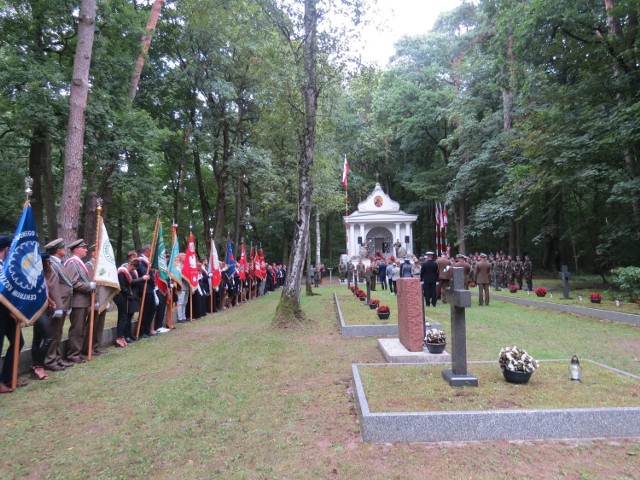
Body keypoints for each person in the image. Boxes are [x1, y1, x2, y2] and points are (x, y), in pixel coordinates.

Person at [43, 238, 74, 372]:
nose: (64, 250)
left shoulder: (58, 263)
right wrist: (58, 306)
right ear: (58, 250)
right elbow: (53, 286)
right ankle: (50, 360)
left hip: (64, 301)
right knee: (54, 332)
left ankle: (57, 357)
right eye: (62, 248)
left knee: (59, 331)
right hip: (58, 303)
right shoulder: (52, 264)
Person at [0, 235, 26, 393]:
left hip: (8, 312)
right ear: (8, 248)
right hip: (2, 312)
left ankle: (8, 377)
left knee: (18, 341)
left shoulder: (6, 266)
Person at [64, 239, 95, 363]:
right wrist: (89, 286)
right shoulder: (72, 263)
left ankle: (78, 352)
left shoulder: (79, 263)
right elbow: (72, 282)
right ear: (76, 250)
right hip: (77, 301)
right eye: (84, 248)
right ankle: (73, 354)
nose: (86, 250)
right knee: (77, 329)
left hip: (83, 300)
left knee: (81, 328)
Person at [29, 253, 55, 380]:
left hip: (44, 309)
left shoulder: (44, 276)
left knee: (37, 339)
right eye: (48, 262)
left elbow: (44, 293)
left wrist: (50, 301)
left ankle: (34, 366)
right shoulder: (36, 276)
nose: (50, 264)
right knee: (48, 338)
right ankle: (38, 366)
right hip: (38, 311)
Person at [113, 257, 140, 347]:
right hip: (120, 295)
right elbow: (122, 286)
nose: (132, 270)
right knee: (123, 317)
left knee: (123, 317)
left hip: (124, 296)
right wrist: (130, 293)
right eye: (132, 268)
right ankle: (119, 338)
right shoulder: (122, 271)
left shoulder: (127, 271)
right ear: (130, 264)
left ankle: (121, 337)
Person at [137, 244, 157, 337]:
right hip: (145, 288)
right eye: (151, 251)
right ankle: (141, 331)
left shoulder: (147, 260)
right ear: (147, 251)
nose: (152, 253)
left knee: (152, 308)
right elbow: (144, 273)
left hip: (150, 288)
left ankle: (147, 329)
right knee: (145, 310)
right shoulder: (141, 260)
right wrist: (153, 281)